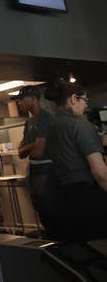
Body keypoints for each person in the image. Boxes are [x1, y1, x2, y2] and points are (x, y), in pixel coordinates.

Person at [44, 80, 107, 241]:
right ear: (73, 98)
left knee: (79, 252)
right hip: (88, 200)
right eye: (85, 100)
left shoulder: (52, 127)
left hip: (64, 198)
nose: (86, 106)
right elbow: (100, 173)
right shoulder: (80, 124)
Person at [11, 85, 59, 238]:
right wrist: (32, 145)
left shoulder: (46, 117)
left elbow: (38, 152)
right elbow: (20, 153)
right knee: (41, 210)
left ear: (32, 99)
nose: (19, 103)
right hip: (34, 172)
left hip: (47, 172)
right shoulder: (29, 122)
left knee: (51, 211)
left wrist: (28, 147)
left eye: (21, 100)